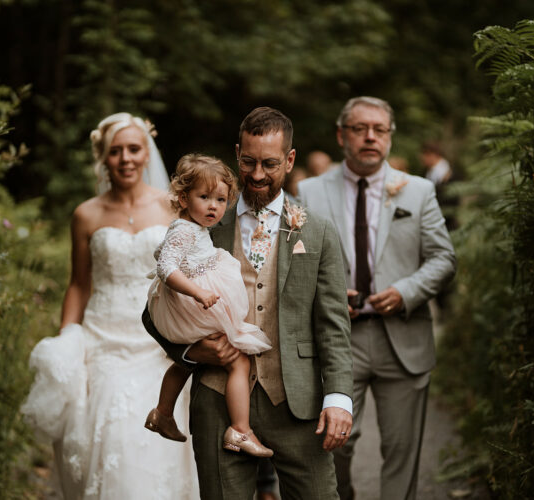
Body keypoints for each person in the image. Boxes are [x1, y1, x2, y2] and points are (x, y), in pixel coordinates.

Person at [142, 106, 353, 499]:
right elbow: (153, 310)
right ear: (237, 153)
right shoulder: (201, 221)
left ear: (290, 160)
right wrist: (191, 350)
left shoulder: (319, 231)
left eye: (270, 164)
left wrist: (339, 398)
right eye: (249, 162)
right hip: (217, 400)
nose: (257, 174)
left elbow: (334, 326)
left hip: (297, 404)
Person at [21, 112, 200, 499]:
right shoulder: (86, 215)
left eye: (134, 149)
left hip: (158, 342)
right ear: (103, 158)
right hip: (103, 343)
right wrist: (68, 336)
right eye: (115, 151)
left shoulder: (173, 207)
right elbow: (79, 284)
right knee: (113, 434)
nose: (126, 159)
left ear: (146, 152)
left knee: (159, 442)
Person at [297, 97, 456, 500]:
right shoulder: (309, 191)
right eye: (359, 128)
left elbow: (443, 259)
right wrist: (327, 294)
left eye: (379, 129)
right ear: (341, 135)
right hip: (337, 339)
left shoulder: (418, 191)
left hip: (403, 337)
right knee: (336, 444)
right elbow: (293, 262)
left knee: (401, 450)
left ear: (389, 136)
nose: (370, 136)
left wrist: (406, 292)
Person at [144, 153, 273, 458]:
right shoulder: (184, 230)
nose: (213, 206)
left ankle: (162, 413)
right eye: (204, 197)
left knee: (188, 361)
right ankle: (240, 430)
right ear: (183, 198)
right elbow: (166, 267)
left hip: (195, 301)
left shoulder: (191, 228)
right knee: (238, 360)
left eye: (220, 199)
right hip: (194, 302)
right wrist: (198, 293)